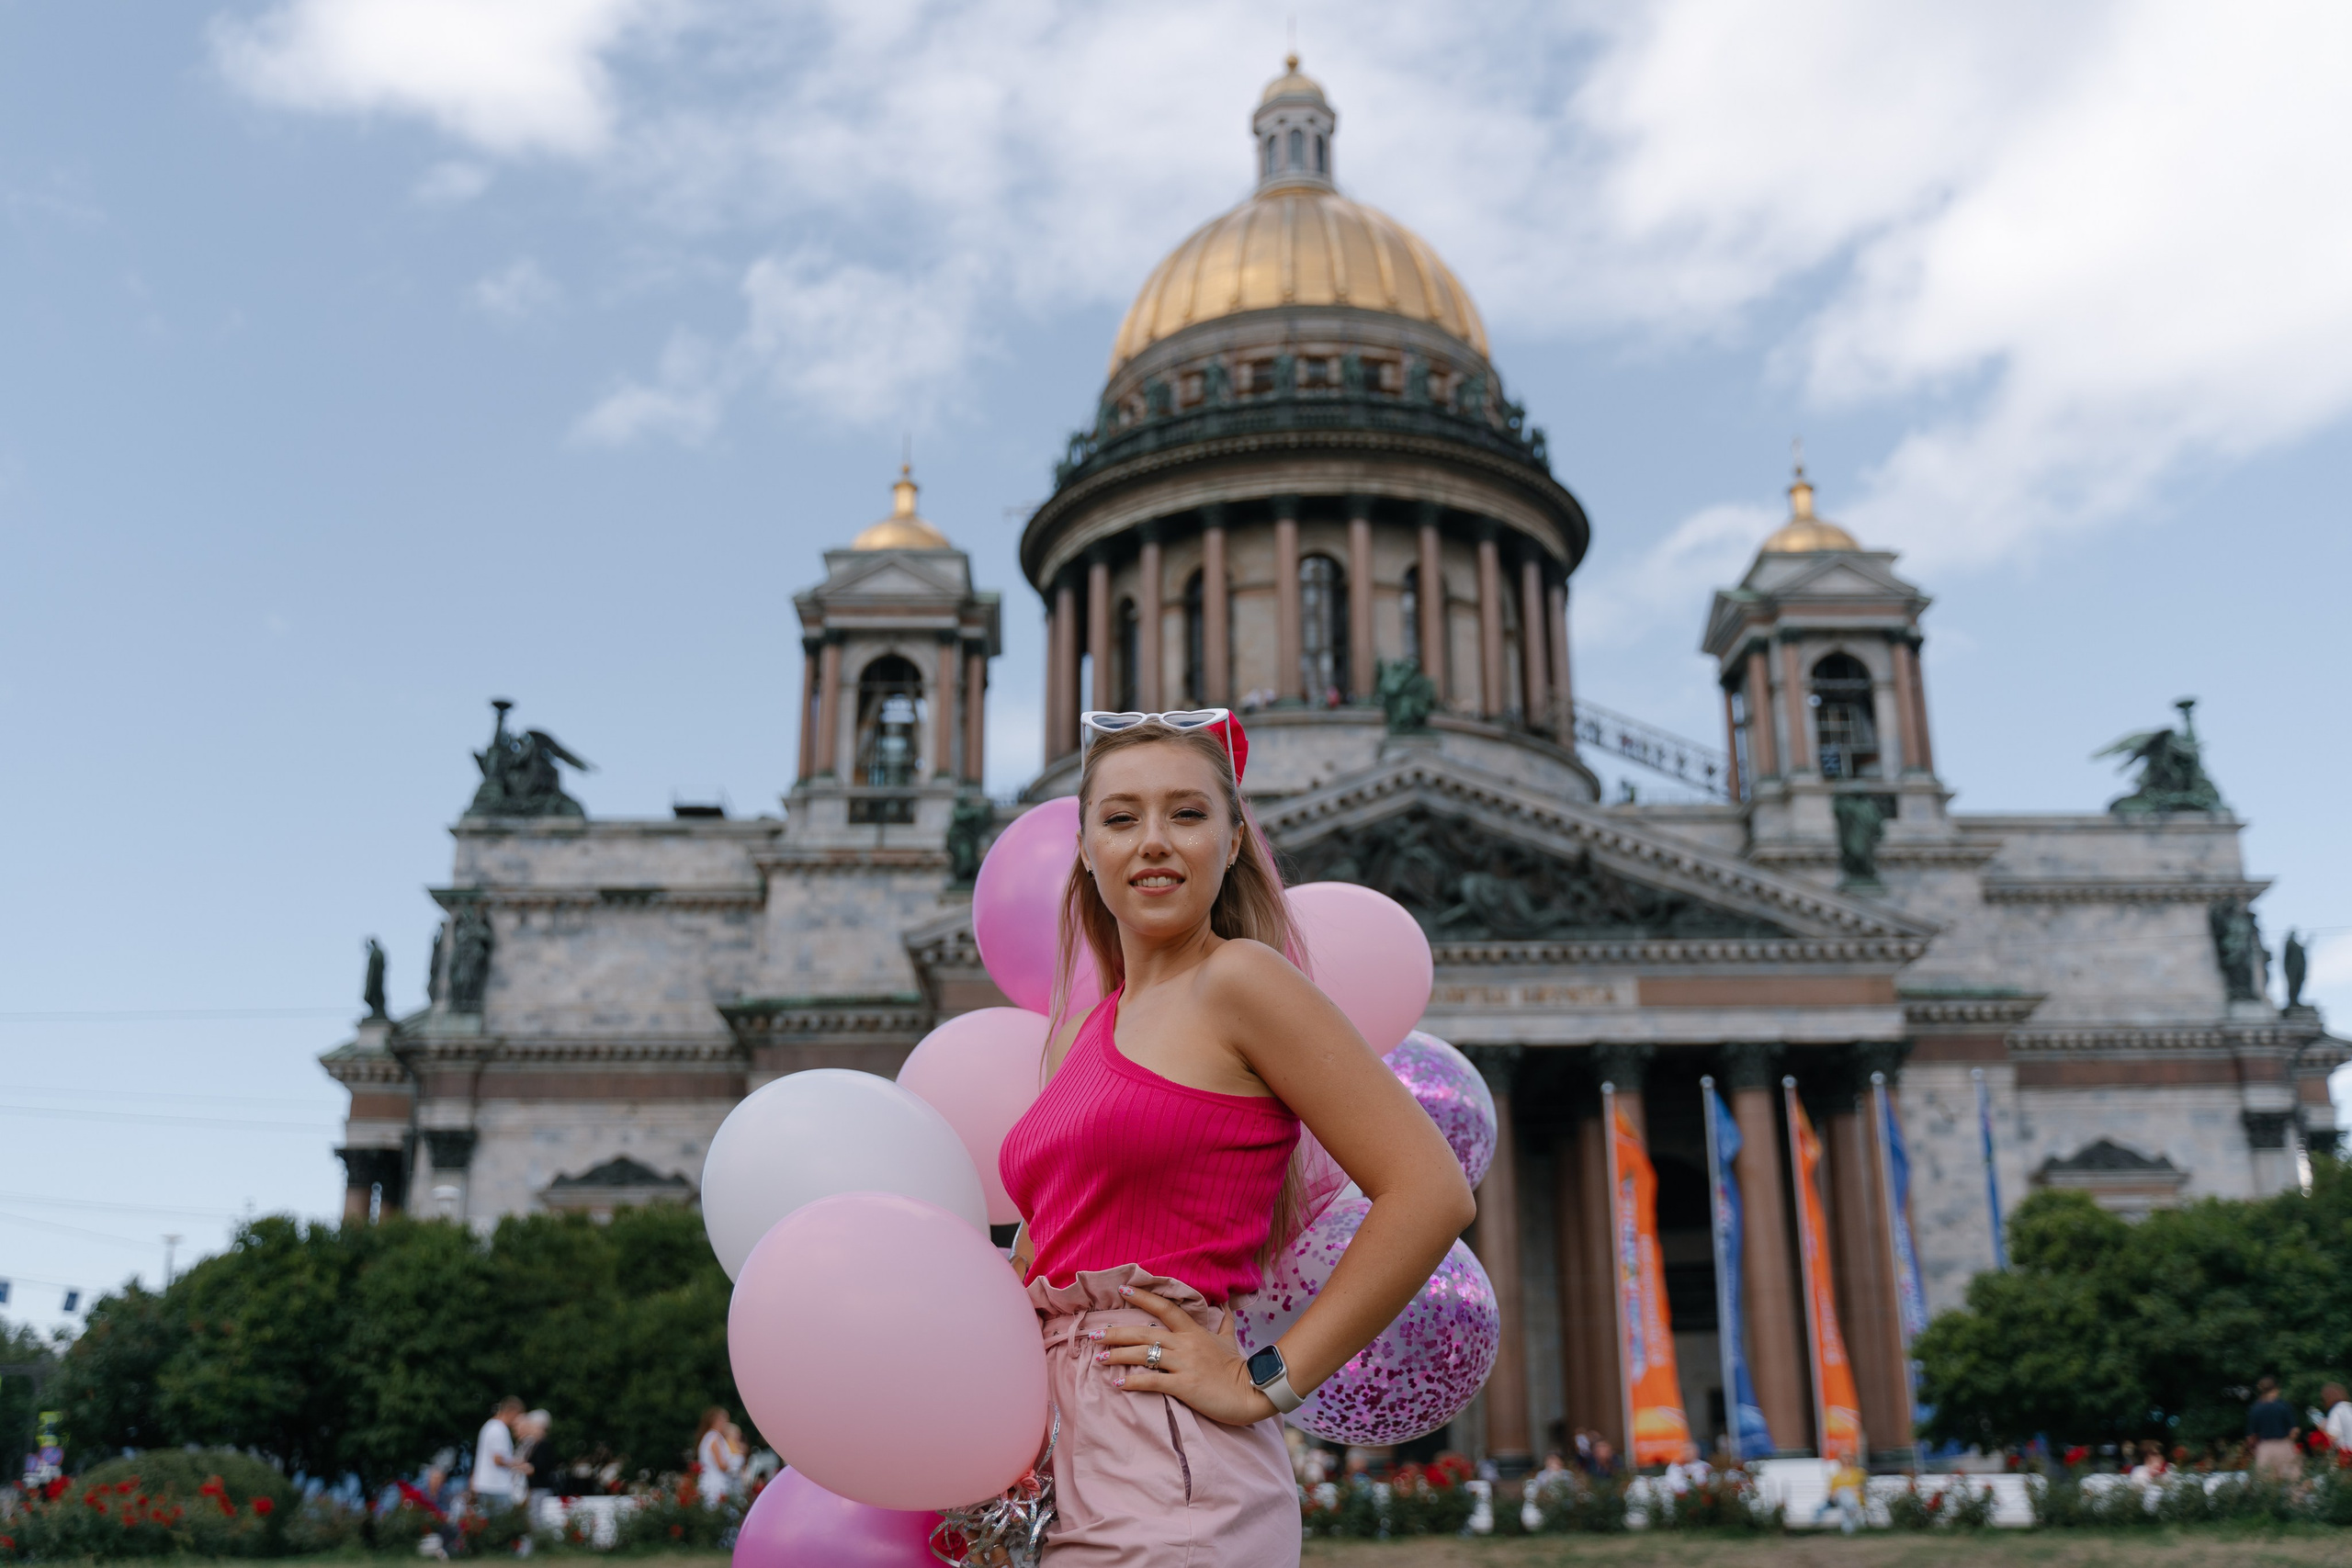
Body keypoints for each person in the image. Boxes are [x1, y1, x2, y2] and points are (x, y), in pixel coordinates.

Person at [997, 712, 1476, 1565]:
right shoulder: (1080, 1033)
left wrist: (1266, 1379)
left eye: (1187, 814)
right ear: (1083, 848)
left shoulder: (1242, 981)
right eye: (1120, 817)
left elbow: (1430, 1189)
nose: (1153, 842)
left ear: (1233, 840)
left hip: (1167, 1453)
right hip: (1055, 1451)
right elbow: (1054, 1242)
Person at [469, 1397, 530, 1510]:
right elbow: (498, 1459)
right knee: (501, 1524)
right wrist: (519, 1466)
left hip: (487, 1485)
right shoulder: (499, 1429)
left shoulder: (490, 1426)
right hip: (496, 1486)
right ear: (512, 1412)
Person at [2248, 1376, 2301, 1482]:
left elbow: (2251, 1437)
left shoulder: (2255, 1408)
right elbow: (2294, 1430)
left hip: (2264, 1447)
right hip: (2284, 1445)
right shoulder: (2284, 1406)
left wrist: (2255, 1450)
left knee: (2265, 1485)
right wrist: (2290, 1441)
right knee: (2293, 1482)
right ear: (2276, 1389)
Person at [692, 1407, 743, 1507]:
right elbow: (721, 1465)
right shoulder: (714, 1438)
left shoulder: (709, 1437)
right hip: (715, 1483)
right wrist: (734, 1464)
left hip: (710, 1480)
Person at [2321, 1383, 2352, 1458]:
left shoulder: (2337, 1411)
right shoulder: (2349, 1407)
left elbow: (2332, 1436)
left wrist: (2322, 1428)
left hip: (2347, 1456)